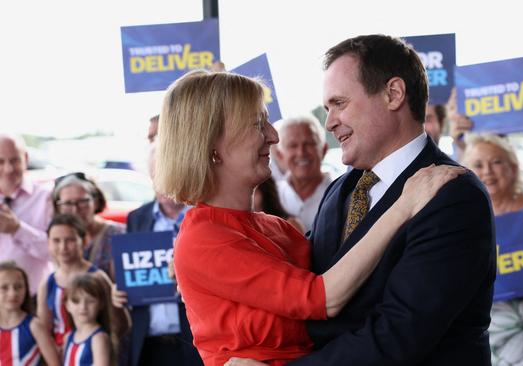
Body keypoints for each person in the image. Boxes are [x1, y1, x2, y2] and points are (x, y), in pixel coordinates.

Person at [154, 69, 464, 365]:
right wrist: (404, 205)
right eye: (257, 123)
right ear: (213, 148)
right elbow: (324, 297)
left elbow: (346, 283)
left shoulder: (273, 227)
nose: (273, 136)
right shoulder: (204, 237)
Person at [287, 34, 495, 365]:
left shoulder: (453, 195)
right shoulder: (339, 191)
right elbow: (304, 294)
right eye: (327, 109)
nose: (329, 123)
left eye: (339, 104)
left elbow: (398, 336)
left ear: (393, 94)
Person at [461, 134, 523, 365]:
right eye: (478, 164)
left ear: (513, 168)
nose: (487, 171)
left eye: (496, 162)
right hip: (483, 338)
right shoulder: (461, 217)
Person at [116, 124, 202, 366]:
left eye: (167, 174)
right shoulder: (137, 218)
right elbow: (132, 276)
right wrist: (120, 292)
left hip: (197, 340)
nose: (162, 182)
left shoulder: (203, 216)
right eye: (156, 175)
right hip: (149, 344)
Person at [34, 214, 122, 351]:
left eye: (70, 240)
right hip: (61, 356)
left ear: (85, 241)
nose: (63, 247)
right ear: (48, 243)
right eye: (56, 241)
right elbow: (44, 332)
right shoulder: (48, 283)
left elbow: (121, 324)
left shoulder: (97, 277)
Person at [0, 134, 52, 297]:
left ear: (26, 159)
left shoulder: (46, 198)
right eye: (0, 162)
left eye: (14, 160)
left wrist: (18, 229)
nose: (8, 169)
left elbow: (56, 253)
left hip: (34, 300)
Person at [51, 173, 125, 280]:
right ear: (58, 208)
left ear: (96, 202)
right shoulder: (58, 238)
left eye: (82, 202)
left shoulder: (118, 234)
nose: (75, 210)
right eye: (67, 204)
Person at [274, 115, 331, 232]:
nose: (301, 153)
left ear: (324, 149)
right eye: (292, 146)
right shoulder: (270, 196)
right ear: (280, 155)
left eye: (309, 144)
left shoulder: (344, 195)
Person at [0, 260, 59, 366]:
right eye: (4, 288)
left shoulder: (34, 326)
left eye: (18, 287)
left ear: (26, 289)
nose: (12, 293)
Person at [62, 273, 112, 366]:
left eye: (90, 301)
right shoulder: (68, 337)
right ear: (67, 305)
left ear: (101, 304)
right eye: (76, 301)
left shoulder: (98, 338)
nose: (83, 307)